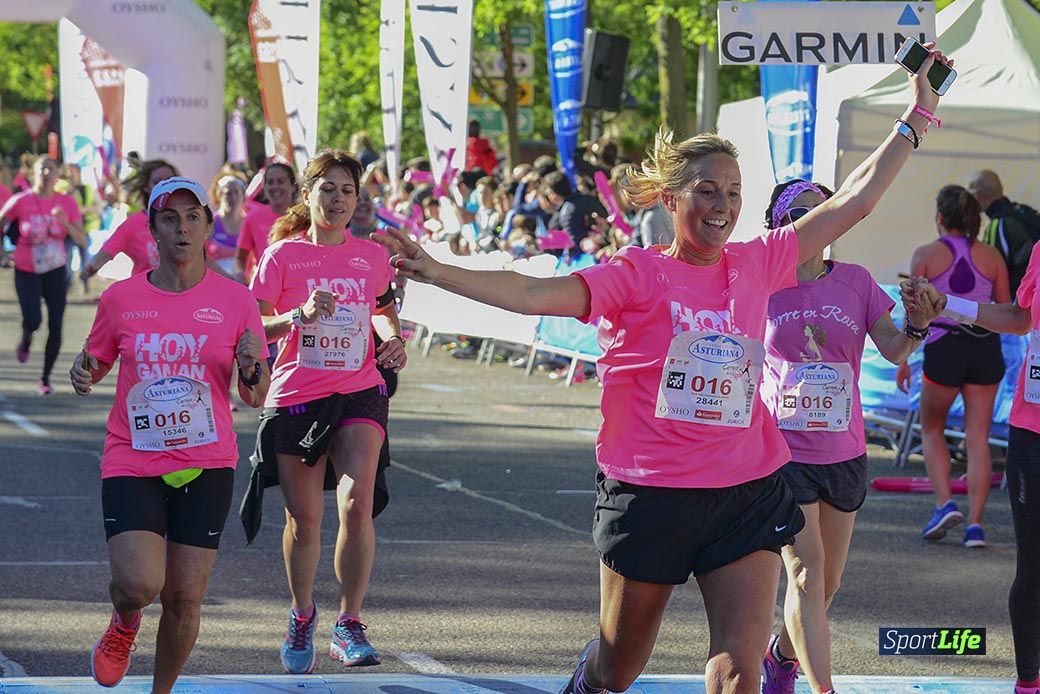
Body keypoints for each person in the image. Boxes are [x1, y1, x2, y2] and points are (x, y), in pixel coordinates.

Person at [375, 46, 952, 694]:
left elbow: (854, 201)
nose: (722, 204)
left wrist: (918, 111)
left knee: (740, 673)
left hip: (746, 487)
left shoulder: (757, 263)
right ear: (672, 198)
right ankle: (586, 681)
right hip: (651, 493)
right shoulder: (636, 274)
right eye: (707, 190)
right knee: (617, 668)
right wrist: (436, 270)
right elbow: (534, 293)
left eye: (733, 192)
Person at [69, 176, 270, 692]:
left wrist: (251, 369)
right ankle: (125, 622)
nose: (181, 228)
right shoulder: (120, 299)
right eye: (169, 219)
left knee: (184, 598)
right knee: (139, 585)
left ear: (207, 227)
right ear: (152, 230)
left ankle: (161, 691)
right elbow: (95, 362)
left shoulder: (236, 300)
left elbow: (254, 394)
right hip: (133, 459)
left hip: (207, 462)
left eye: (191, 218)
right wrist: (84, 371)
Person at [760, 180, 937, 694]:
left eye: (824, 210)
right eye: (801, 212)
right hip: (783, 454)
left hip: (844, 453)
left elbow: (894, 349)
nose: (815, 219)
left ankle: (781, 656)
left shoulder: (856, 282)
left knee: (827, 584)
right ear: (779, 222)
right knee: (806, 578)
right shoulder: (760, 282)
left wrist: (918, 326)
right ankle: (823, 689)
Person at [247, 149, 406, 674]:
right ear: (308, 195)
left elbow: (383, 310)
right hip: (297, 394)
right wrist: (297, 315)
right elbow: (250, 328)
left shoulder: (370, 256)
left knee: (357, 502)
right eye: (328, 189)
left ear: (358, 200)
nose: (338, 199)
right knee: (304, 519)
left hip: (359, 388)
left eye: (347, 191)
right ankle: (301, 612)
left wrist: (392, 340)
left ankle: (349, 622)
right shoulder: (282, 257)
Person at [902, 258, 1040, 694]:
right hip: (1033, 433)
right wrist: (947, 305)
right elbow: (1021, 318)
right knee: (1034, 571)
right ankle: (1029, 682)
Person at [896, 185, 1009, 548]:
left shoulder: (925, 255)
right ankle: (975, 525)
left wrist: (904, 358)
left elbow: (914, 311)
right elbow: (1006, 309)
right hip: (984, 347)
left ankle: (945, 504)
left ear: (940, 218)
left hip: (943, 347)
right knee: (978, 438)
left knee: (931, 429)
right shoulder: (992, 256)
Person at [0, 155, 86, 394]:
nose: (47, 173)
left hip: (56, 270)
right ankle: (27, 337)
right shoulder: (20, 201)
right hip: (27, 269)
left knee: (56, 325)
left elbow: (82, 240)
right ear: (33, 173)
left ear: (57, 174)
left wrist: (65, 223)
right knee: (33, 319)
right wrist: (3, 255)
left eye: (51, 168)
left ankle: (45, 378)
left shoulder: (67, 202)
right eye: (42, 168)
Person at [83, 159, 178, 279]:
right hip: (144, 295)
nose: (164, 187)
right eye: (157, 182)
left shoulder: (189, 221)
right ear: (146, 188)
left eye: (170, 181)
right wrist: (89, 269)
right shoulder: (132, 225)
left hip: (183, 295)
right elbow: (101, 257)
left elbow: (205, 260)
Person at [969, 169, 1040, 296]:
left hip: (1019, 301)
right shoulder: (1024, 211)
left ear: (977, 196)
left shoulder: (998, 225)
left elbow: (992, 272)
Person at [234, 162, 297, 280]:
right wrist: (240, 276)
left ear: (293, 185)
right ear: (264, 188)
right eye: (270, 182)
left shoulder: (306, 217)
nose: (275, 187)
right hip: (266, 286)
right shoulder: (253, 218)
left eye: (281, 181)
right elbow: (240, 259)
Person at [206, 174, 248, 278]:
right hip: (215, 281)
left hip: (243, 285)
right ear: (219, 196)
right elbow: (200, 256)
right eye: (228, 193)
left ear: (243, 197)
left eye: (236, 192)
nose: (232, 197)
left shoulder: (249, 223)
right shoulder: (210, 221)